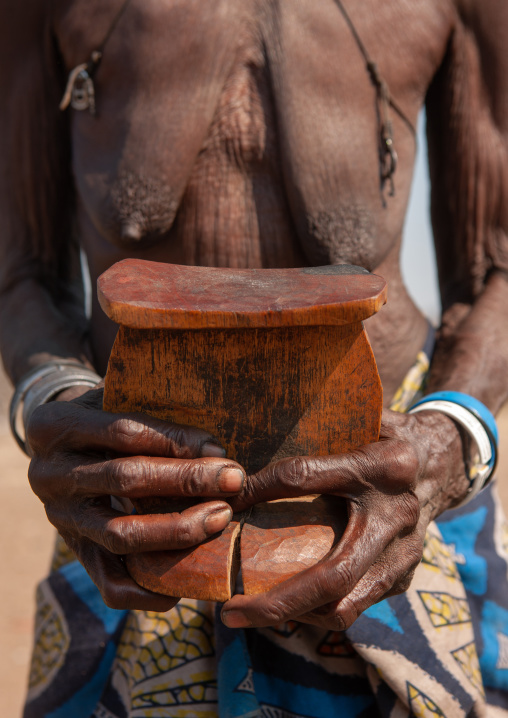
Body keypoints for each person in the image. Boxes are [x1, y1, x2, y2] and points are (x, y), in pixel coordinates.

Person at [1, 0, 508, 715]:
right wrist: (55, 402)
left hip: (394, 508)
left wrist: (447, 442)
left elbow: (496, 269)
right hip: (124, 524)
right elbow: (18, 266)